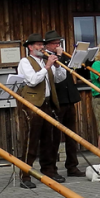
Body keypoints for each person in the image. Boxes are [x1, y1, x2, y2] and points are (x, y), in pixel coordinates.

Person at [17, 33, 67, 188]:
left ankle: (49, 170)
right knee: (31, 140)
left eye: (42, 44)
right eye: (38, 45)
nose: (41, 47)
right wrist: (47, 67)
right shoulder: (25, 61)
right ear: (30, 47)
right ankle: (25, 175)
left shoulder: (46, 61)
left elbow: (60, 79)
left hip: (47, 103)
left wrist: (57, 66)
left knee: (49, 140)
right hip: (32, 105)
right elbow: (32, 81)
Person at [43, 30, 86, 178]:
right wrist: (59, 57)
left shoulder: (63, 56)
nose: (57, 45)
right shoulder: (45, 57)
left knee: (72, 135)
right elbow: (54, 77)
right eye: (55, 43)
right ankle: (51, 168)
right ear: (48, 44)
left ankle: (72, 166)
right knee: (55, 137)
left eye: (58, 43)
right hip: (57, 100)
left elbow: (73, 71)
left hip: (70, 98)